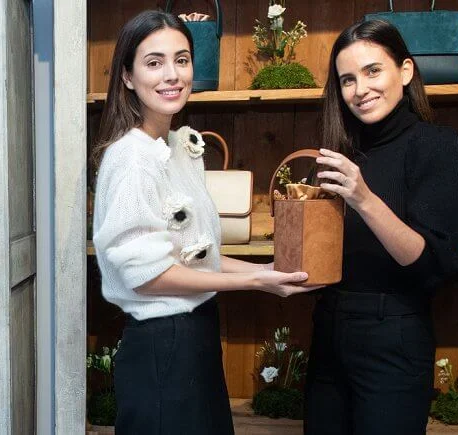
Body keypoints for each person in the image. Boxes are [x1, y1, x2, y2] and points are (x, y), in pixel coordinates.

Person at [91, 10, 317, 435]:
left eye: (182, 59)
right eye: (153, 62)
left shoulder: (177, 147)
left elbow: (196, 257)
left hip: (194, 337)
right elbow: (148, 276)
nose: (171, 75)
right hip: (162, 346)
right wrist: (254, 283)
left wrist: (267, 271)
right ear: (126, 76)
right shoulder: (133, 159)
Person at [304, 20, 458, 435]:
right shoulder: (342, 156)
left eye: (372, 71)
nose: (359, 89)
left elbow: (432, 264)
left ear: (405, 71)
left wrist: (362, 198)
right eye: (347, 79)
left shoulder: (440, 147)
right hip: (329, 329)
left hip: (394, 336)